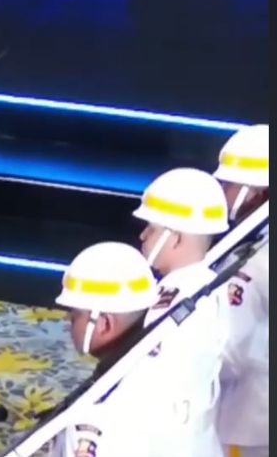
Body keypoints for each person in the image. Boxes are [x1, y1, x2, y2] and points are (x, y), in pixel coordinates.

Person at [52, 241, 224, 457]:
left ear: (105, 324)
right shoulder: (171, 354)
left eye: (75, 315)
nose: (68, 321)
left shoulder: (94, 419)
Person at [131, 168, 231, 457]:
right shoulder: (198, 285)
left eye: (151, 228)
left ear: (175, 239)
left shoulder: (180, 303)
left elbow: (145, 385)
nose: (142, 235)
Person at [213, 123, 269, 457]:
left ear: (257, 193)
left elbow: (228, 353)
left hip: (248, 421)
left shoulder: (253, 266)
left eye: (229, 185)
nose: (223, 194)